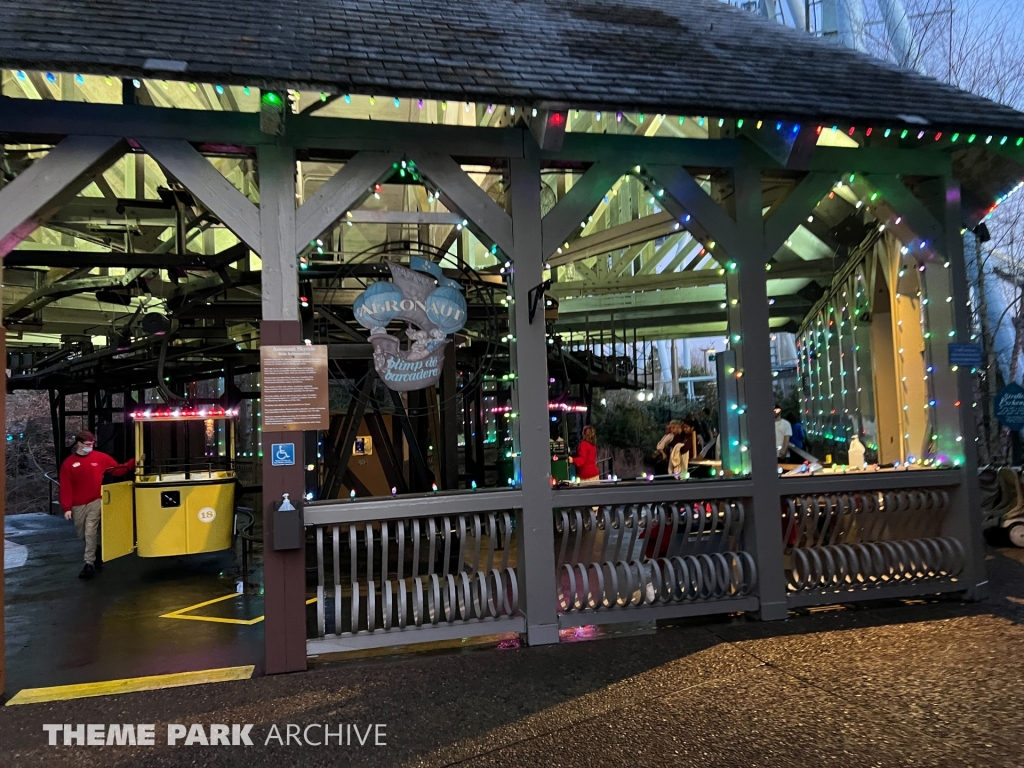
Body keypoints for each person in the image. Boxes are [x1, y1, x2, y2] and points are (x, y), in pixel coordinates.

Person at [59, 431, 135, 580]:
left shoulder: (100, 458)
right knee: (82, 534)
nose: (90, 447)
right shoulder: (69, 464)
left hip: (95, 500)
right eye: (87, 444)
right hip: (77, 503)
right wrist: (67, 507)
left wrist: (133, 462)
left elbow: (118, 470)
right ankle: (96, 551)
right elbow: (66, 487)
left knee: (90, 531)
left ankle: (89, 564)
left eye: (92, 444)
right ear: (79, 443)